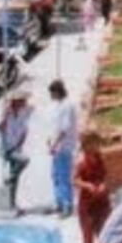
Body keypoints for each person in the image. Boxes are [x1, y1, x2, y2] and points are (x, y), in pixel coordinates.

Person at [75, 131, 111, 243]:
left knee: (103, 226)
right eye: (92, 143)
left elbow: (107, 175)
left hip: (101, 200)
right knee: (88, 228)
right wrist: (87, 186)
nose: (95, 146)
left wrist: (104, 185)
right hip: (87, 202)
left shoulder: (101, 158)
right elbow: (75, 180)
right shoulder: (80, 161)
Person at [0, 90, 33, 215]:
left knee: (16, 179)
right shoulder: (6, 113)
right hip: (7, 148)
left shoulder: (23, 112)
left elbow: (24, 129)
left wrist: (21, 142)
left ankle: (11, 203)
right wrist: (5, 116)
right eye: (22, 101)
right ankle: (9, 178)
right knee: (24, 161)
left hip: (17, 147)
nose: (25, 103)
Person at [48, 80, 79, 217]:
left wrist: (56, 144)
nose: (50, 96)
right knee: (55, 176)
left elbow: (64, 129)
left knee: (64, 176)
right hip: (57, 147)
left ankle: (67, 205)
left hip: (64, 147)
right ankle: (59, 202)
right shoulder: (59, 105)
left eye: (51, 93)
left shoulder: (67, 106)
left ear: (57, 92)